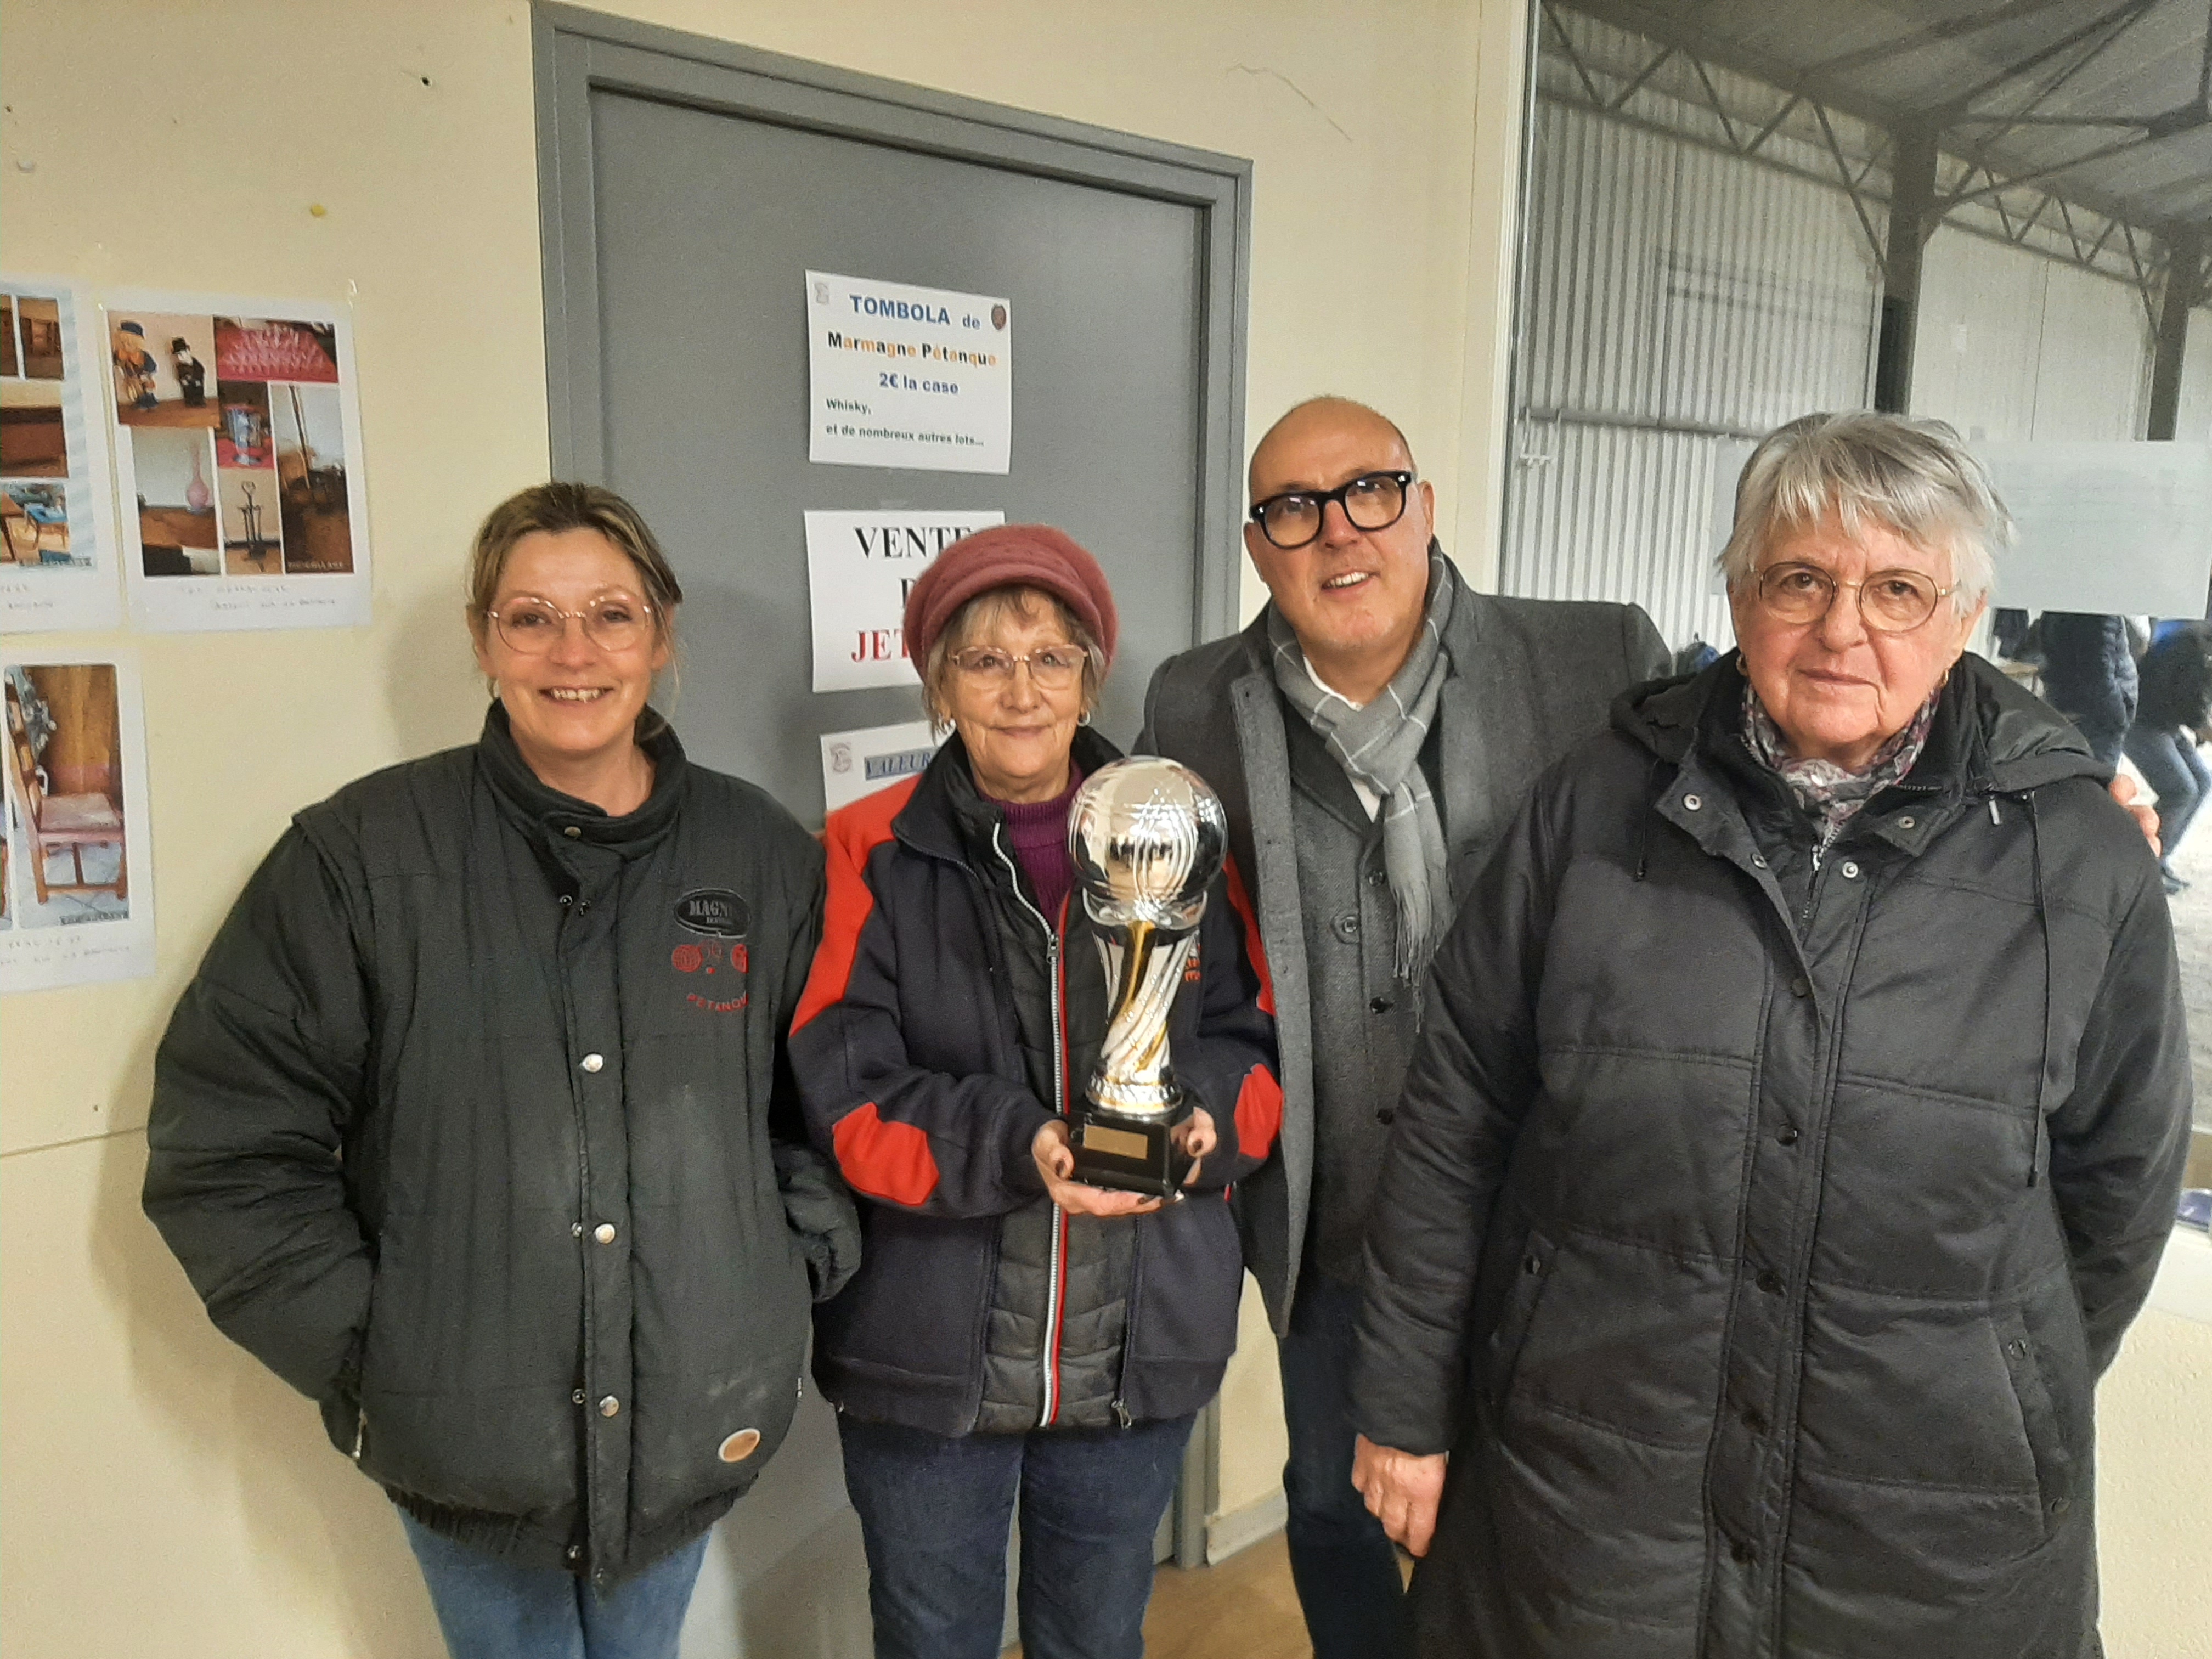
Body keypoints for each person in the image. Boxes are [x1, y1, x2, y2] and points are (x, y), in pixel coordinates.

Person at [1349, 411, 2190, 1656]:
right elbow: (1457, 1116)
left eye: (1898, 587)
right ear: (1741, 593)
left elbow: (2119, 1200)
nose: (1843, 627)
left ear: (1964, 619)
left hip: (1924, 1528)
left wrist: (1994, 1365)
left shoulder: (2075, 861)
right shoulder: (1594, 807)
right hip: (1592, 1487)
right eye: (1801, 578)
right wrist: (1407, 1404)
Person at [142, 483, 859, 1659]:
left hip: (694, 1416)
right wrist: (386, 1357)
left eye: (612, 615)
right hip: (466, 1444)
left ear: (662, 636)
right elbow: (227, 1150)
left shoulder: (762, 855)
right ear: (483, 640)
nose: (574, 652)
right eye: (532, 617)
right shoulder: (361, 857)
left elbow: (831, 1103)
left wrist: (780, 1271)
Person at [1139, 396, 1669, 1658]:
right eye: (1293, 510)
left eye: (1372, 490)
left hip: (1549, 1209)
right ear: (1260, 548)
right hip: (1337, 1217)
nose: (1339, 534)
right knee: (1327, 1500)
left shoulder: (1598, 662)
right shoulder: (1194, 704)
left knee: (1535, 1515)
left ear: (1425, 507)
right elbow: (1172, 945)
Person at [791, 525, 1281, 1659]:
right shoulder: (868, 850)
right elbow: (847, 1094)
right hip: (929, 1362)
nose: (1021, 691)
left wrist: (1199, 1123)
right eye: (985, 661)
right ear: (939, 684)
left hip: (1135, 1347)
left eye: (1051, 658)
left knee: (1096, 1638)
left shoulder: (1178, 835)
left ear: (1089, 677)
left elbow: (1252, 1050)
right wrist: (1026, 1145)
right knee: (933, 1639)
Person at [2124, 619, 2212, 893]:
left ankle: (2159, 860)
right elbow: (2184, 697)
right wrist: (2203, 727)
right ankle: (2143, 867)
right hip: (2143, 722)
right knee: (2181, 791)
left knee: (2202, 781)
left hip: (2165, 723)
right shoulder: (2190, 644)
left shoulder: (2198, 641)